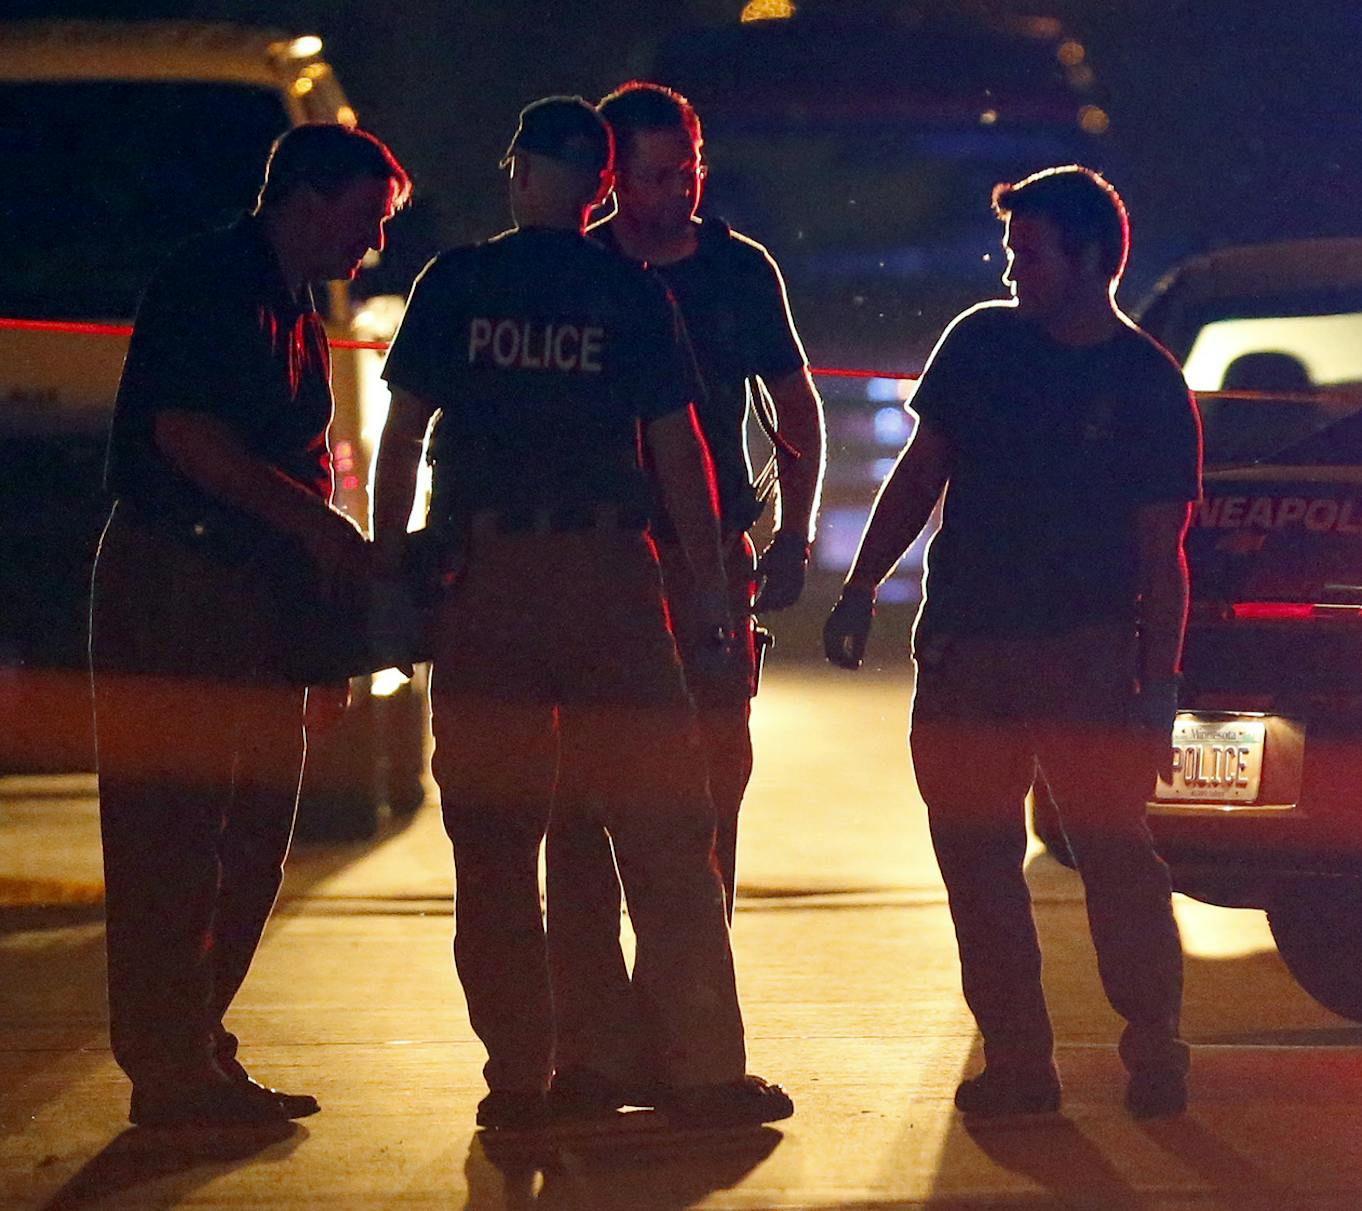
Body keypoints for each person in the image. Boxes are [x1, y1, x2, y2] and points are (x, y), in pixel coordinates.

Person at [370, 96, 791, 1132]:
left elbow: (401, 435)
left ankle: (528, 1077)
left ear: (519, 173)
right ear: (604, 185)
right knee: (663, 829)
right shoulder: (628, 290)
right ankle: (700, 1072)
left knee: (498, 840)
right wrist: (705, 595)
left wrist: (389, 576)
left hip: (489, 580)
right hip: (611, 575)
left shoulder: (456, 283)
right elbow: (683, 457)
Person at [822, 165, 1200, 1119]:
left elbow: (1165, 558)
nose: (1011, 267)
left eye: (1027, 251)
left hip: (1084, 655)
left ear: (1090, 259)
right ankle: (1020, 1061)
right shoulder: (980, 345)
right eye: (1011, 249)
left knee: (1117, 855)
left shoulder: (1147, 383)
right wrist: (861, 586)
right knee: (977, 859)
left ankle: (1155, 1042)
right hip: (966, 651)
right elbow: (921, 473)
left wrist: (1157, 691)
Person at [90, 123, 407, 1128]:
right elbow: (184, 436)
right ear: (309, 197)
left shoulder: (297, 308)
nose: (372, 247)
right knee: (172, 835)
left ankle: (196, 1042)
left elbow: (295, 460)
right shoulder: (210, 281)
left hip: (258, 600)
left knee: (253, 837)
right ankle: (168, 1066)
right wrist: (314, 526)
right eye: (367, 220)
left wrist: (324, 638)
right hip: (178, 583)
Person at [541, 81, 827, 1102]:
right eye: (656, 175)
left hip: (713, 564)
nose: (677, 193)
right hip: (602, 562)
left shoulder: (740, 271)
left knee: (708, 804)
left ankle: (688, 1041)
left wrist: (794, 532)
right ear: (612, 176)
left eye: (689, 171)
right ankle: (590, 1050)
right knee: (579, 814)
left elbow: (795, 407)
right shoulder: (575, 271)